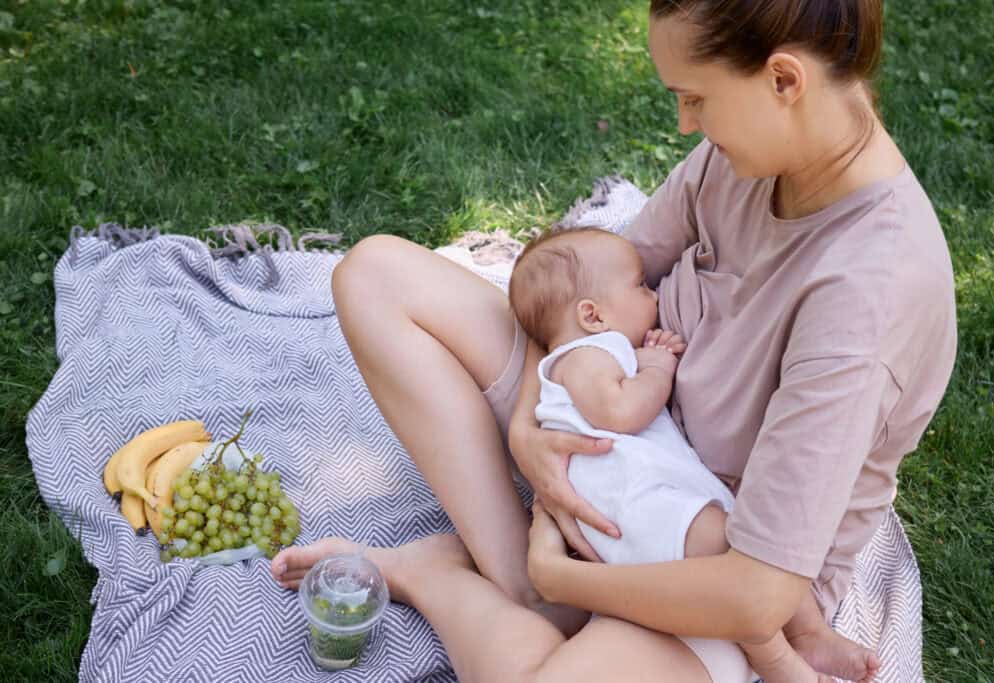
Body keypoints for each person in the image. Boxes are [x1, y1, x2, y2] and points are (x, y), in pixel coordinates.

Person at [271, 0, 957, 680]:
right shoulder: (758, 155)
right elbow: (586, 300)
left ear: (784, 81)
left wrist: (564, 575)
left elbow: (757, 592)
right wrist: (530, 427)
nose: (687, 125)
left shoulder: (869, 292)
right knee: (374, 276)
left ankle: (448, 577)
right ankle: (519, 580)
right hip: (613, 424)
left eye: (696, 98)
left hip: (705, 548)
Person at [505, 226, 878, 682]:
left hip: (643, 500)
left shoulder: (596, 351)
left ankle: (805, 636)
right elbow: (619, 412)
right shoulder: (586, 355)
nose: (655, 296)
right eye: (641, 286)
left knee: (740, 546)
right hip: (632, 505)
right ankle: (786, 656)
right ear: (592, 315)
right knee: (738, 552)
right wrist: (657, 370)